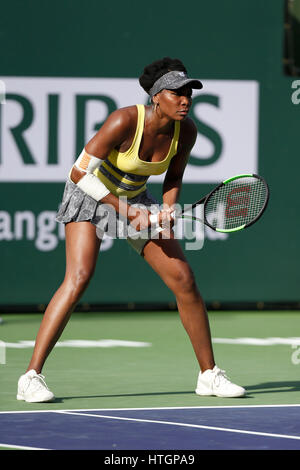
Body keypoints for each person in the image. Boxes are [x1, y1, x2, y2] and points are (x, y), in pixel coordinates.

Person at [17, 57, 245, 402]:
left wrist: (167, 208)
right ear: (156, 96)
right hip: (90, 195)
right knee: (78, 277)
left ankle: (209, 375)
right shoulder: (124, 120)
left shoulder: (188, 131)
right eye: (176, 93)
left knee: (184, 279)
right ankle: (31, 377)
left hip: (135, 197)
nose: (185, 100)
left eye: (189, 93)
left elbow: (175, 176)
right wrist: (126, 212)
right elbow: (79, 173)